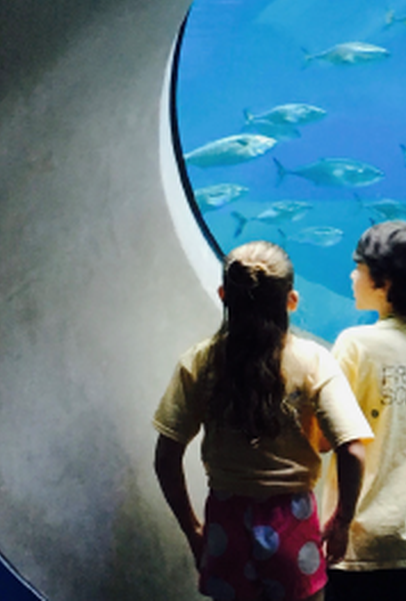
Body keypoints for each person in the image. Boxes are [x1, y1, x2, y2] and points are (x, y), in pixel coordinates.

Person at [153, 241, 372, 601]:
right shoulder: (315, 362)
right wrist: (342, 521)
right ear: (292, 300)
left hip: (226, 526)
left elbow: (166, 454)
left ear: (224, 295)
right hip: (294, 526)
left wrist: (193, 529)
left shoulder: (200, 363)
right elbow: (352, 450)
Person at [323, 220, 406, 600]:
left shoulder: (355, 344)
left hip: (353, 537)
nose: (352, 275)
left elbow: (324, 436)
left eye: (360, 267)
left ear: (385, 284)